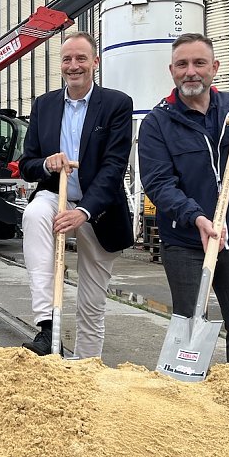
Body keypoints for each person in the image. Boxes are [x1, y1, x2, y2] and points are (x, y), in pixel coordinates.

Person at [138, 32, 229, 370]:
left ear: (214, 68)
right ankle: (189, 401)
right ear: (171, 70)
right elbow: (158, 184)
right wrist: (196, 217)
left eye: (199, 63)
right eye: (183, 64)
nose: (191, 71)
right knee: (189, 324)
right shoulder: (157, 122)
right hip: (186, 241)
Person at [20, 32, 133, 358]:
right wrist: (46, 163)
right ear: (61, 65)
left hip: (98, 210)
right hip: (56, 197)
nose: (74, 65)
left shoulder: (116, 104)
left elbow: (114, 167)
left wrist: (83, 212)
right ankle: (46, 322)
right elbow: (27, 165)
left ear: (95, 62)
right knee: (36, 213)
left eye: (81, 58)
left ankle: (85, 369)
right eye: (67, 59)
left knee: (91, 302)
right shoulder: (44, 105)